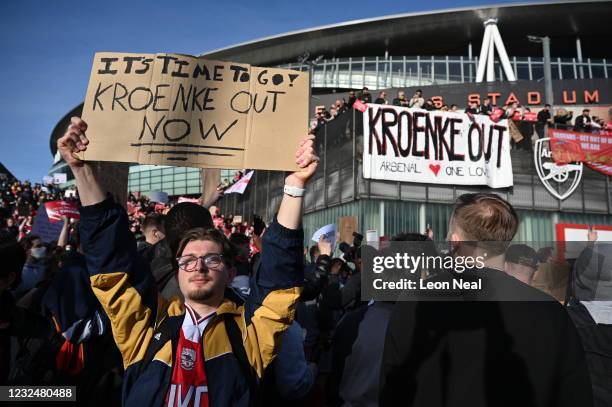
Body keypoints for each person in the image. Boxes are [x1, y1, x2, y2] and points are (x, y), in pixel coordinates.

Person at [57, 117, 319, 407]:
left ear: (231, 272)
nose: (199, 266)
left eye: (211, 258)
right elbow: (113, 265)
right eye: (188, 260)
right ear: (177, 270)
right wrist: (81, 172)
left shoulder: (249, 333)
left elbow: (278, 281)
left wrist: (295, 186)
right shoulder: (145, 327)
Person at [380, 193, 593, 407]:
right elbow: (574, 394)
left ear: (454, 242)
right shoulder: (549, 311)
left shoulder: (414, 301)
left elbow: (392, 389)